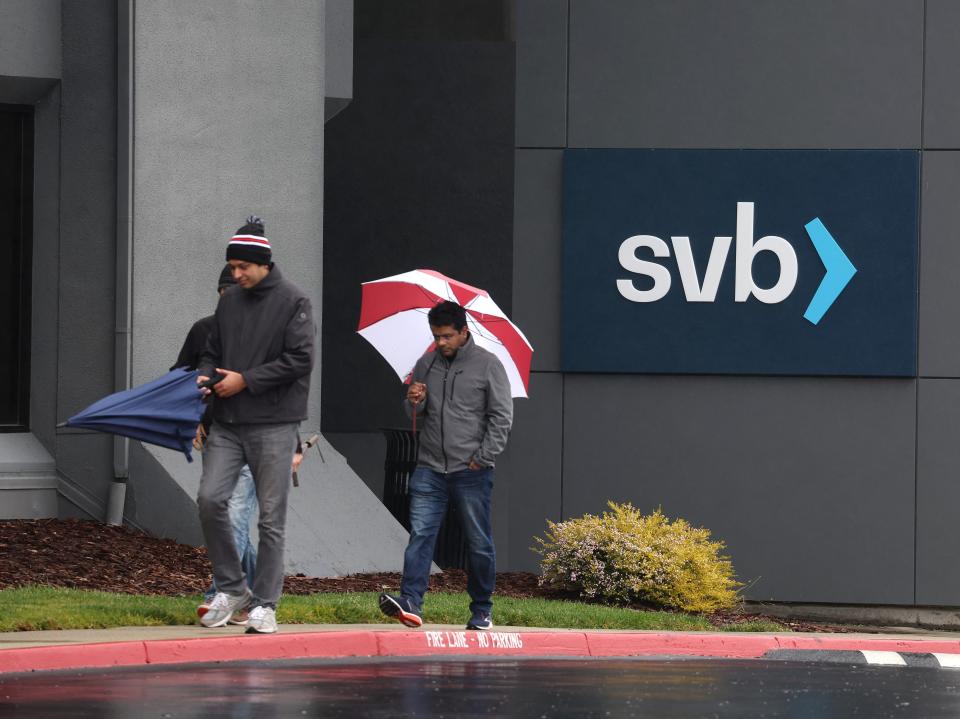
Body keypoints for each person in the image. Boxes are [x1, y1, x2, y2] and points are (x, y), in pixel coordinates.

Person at [196, 215, 315, 635]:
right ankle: (232, 588)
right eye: (232, 267)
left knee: (270, 519)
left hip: (275, 424)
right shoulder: (228, 301)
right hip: (228, 423)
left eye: (242, 267)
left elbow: (301, 360)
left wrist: (245, 380)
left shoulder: (294, 301)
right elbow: (211, 350)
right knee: (210, 501)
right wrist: (206, 374)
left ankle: (266, 604)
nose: (236, 274)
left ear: (263, 263)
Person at [379, 300, 513, 631]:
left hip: (471, 471)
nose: (440, 343)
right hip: (429, 467)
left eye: (447, 336)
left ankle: (482, 608)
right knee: (421, 535)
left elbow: (502, 417)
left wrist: (482, 458)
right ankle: (411, 602)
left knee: (477, 542)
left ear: (463, 332)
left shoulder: (489, 365)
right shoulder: (426, 364)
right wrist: (413, 400)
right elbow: (414, 411)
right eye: (436, 336)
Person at [171, 265, 258, 625]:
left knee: (235, 514)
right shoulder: (204, 331)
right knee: (224, 516)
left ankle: (221, 593)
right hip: (217, 439)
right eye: (226, 295)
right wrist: (189, 419)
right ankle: (250, 596)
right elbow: (181, 377)